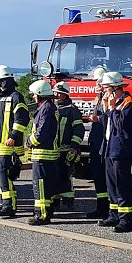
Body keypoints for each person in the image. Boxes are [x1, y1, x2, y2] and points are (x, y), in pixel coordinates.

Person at [97, 72, 132, 233]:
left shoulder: (127, 103)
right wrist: (107, 109)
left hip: (121, 150)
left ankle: (125, 220)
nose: (104, 91)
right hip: (110, 148)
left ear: (115, 88)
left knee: (122, 186)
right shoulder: (114, 103)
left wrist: (113, 108)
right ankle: (113, 215)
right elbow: (107, 125)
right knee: (111, 185)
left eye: (106, 88)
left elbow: (121, 127)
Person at [0, 65, 29, 218]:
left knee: (4, 175)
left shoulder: (16, 97)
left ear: (7, 81)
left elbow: (22, 118)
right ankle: (3, 203)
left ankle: (9, 206)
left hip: (8, 145)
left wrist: (13, 136)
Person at [25, 80, 60, 226]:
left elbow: (40, 134)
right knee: (47, 185)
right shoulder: (49, 107)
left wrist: (28, 141)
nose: (33, 97)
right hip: (47, 154)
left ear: (40, 94)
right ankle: (47, 211)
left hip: (42, 154)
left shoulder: (46, 109)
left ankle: (41, 215)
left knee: (40, 186)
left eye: (34, 95)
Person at [53, 81, 84, 211]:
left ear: (64, 95)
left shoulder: (72, 110)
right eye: (55, 93)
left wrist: (74, 146)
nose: (56, 96)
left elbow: (79, 130)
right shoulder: (52, 108)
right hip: (53, 151)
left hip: (66, 150)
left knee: (65, 176)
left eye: (58, 94)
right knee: (53, 176)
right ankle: (55, 201)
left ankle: (68, 201)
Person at [85, 67, 110, 219]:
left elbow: (112, 120)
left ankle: (107, 209)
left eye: (97, 81)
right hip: (96, 143)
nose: (95, 83)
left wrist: (99, 119)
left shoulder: (108, 98)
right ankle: (101, 207)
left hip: (104, 144)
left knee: (105, 178)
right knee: (98, 178)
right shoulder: (100, 97)